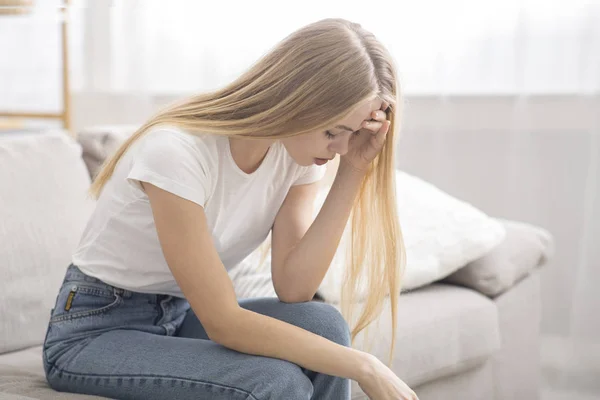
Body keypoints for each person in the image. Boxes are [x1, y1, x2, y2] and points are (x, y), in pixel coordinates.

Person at [42, 18, 418, 400]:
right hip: (95, 329)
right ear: (296, 99)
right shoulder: (177, 152)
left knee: (322, 323)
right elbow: (224, 322)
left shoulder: (299, 155)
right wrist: (364, 366)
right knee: (275, 380)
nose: (340, 147)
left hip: (179, 314)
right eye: (333, 131)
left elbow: (294, 287)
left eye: (352, 132)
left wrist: (353, 170)